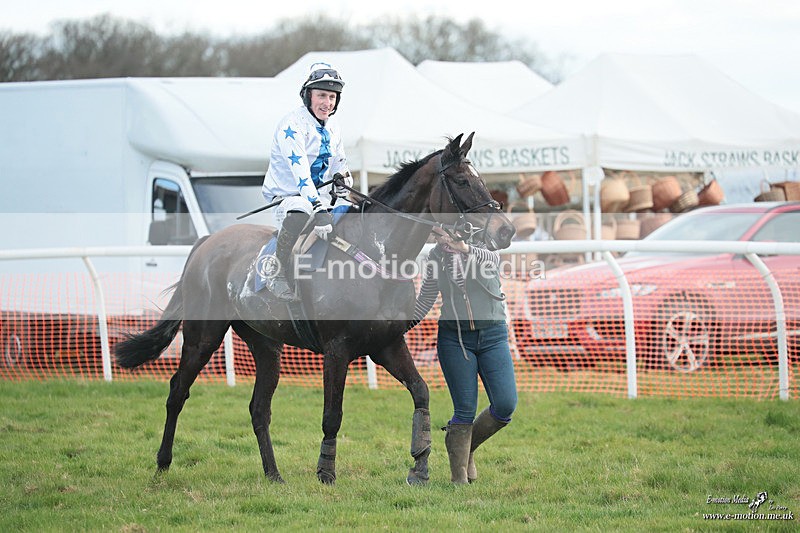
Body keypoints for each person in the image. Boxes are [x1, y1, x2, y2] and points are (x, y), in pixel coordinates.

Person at [409, 227, 518, 484]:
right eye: (435, 232)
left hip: (493, 336)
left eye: (442, 231)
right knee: (465, 411)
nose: (439, 236)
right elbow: (426, 297)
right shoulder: (436, 257)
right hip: (454, 339)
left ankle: (466, 447)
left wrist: (464, 248)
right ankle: (459, 482)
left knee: (505, 405)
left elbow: (493, 260)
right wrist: (400, 326)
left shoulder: (485, 243)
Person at [261, 61, 353, 301]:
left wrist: (344, 184)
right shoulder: (291, 125)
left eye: (332, 97)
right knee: (301, 210)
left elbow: (340, 165)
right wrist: (319, 208)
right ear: (308, 96)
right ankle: (276, 271)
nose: (327, 103)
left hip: (319, 196)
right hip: (288, 197)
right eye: (322, 95)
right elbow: (300, 175)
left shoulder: (333, 128)